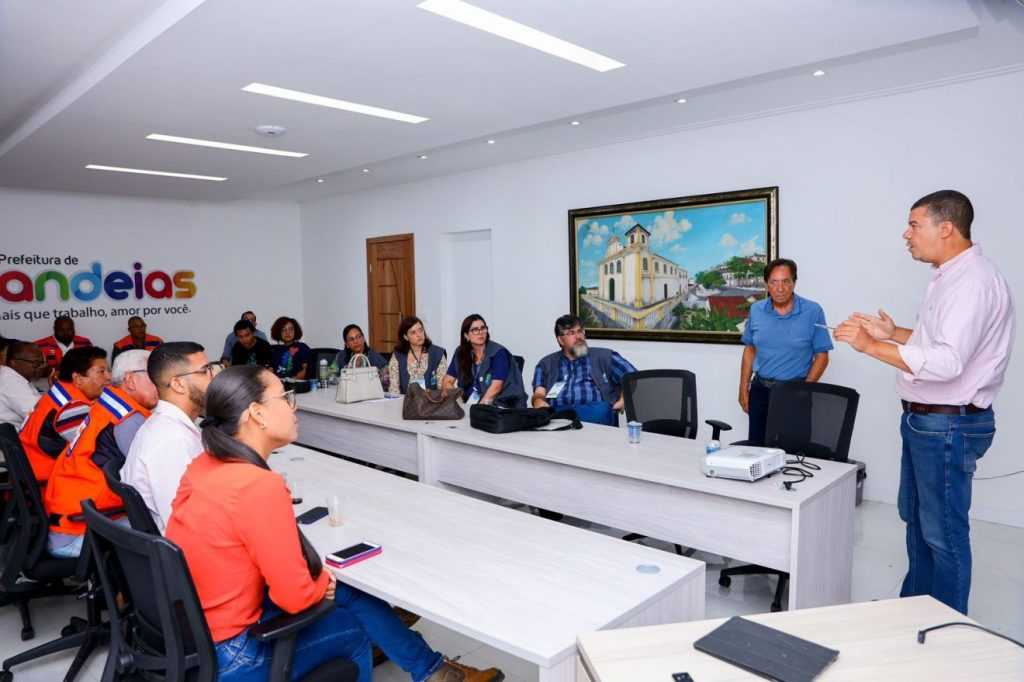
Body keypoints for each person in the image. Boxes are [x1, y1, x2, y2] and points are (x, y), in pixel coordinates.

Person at [166, 366, 503, 682]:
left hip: (196, 634)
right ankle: (427, 668)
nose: (293, 407)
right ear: (257, 413)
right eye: (285, 398)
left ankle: (433, 671)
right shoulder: (257, 486)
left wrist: (320, 583)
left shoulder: (202, 465)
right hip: (235, 652)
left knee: (347, 590)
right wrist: (319, 584)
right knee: (350, 626)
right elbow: (295, 599)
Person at [835, 190, 1014, 615]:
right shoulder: (950, 276)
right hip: (927, 424)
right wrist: (891, 332)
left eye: (914, 224)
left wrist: (867, 347)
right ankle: (912, 612)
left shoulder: (972, 282)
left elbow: (948, 362)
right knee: (917, 522)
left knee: (943, 533)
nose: (906, 234)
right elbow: (938, 344)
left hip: (948, 426)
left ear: (946, 227)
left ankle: (945, 631)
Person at [44, 350, 158, 558]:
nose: (161, 382)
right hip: (78, 530)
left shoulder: (108, 406)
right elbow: (155, 482)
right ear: (130, 380)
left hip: (75, 518)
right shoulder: (127, 418)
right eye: (154, 375)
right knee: (169, 538)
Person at [123, 342, 217, 532]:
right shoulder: (171, 442)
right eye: (205, 370)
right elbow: (183, 524)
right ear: (178, 384)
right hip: (186, 550)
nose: (214, 377)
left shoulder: (170, 427)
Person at [738, 258, 833, 445]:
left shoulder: (813, 311)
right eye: (774, 282)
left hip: (795, 391)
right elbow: (750, 349)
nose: (780, 288)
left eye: (785, 281)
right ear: (767, 284)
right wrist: (743, 388)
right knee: (758, 450)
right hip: (761, 391)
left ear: (794, 283)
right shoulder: (756, 310)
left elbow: (822, 356)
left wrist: (804, 390)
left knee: (793, 455)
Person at [19, 346, 109, 482]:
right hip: (48, 483)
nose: (109, 378)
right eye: (101, 372)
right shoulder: (71, 407)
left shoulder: (62, 392)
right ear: (78, 379)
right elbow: (99, 450)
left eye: (108, 371)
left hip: (34, 474)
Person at [531, 315, 636, 426]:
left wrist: (622, 401)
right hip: (558, 416)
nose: (578, 336)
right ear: (560, 340)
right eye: (571, 333)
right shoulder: (546, 364)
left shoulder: (605, 356)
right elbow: (539, 394)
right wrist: (538, 402)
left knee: (601, 410)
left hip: (595, 416)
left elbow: (633, 377)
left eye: (580, 331)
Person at [442, 314, 526, 408]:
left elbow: (495, 388)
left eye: (483, 328)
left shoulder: (498, 353)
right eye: (475, 330)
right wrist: (459, 403)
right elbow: (447, 381)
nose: (480, 332)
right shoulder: (461, 353)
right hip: (471, 406)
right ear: (466, 336)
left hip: (503, 406)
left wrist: (478, 410)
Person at [387, 317, 447, 394]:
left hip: (432, 402)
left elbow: (442, 387)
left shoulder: (437, 353)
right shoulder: (398, 356)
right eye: (413, 332)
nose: (419, 335)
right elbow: (394, 389)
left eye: (420, 330)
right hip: (406, 403)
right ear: (406, 337)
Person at [0, 342, 47, 426]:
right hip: (11, 437)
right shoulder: (11, 381)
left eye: (42, 363)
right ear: (13, 362)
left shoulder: (16, 377)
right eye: (36, 363)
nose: (40, 367)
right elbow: (41, 415)